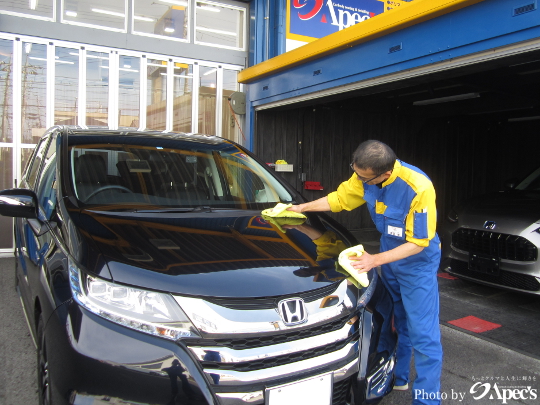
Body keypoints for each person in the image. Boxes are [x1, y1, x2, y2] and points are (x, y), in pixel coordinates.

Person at [287, 140, 443, 405]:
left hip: (416, 261)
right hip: (387, 254)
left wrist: (374, 261)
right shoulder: (364, 175)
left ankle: (428, 400)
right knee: (396, 317)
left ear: (385, 174)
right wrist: (301, 208)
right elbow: (338, 199)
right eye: (356, 173)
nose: (358, 180)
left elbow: (418, 243)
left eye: (364, 178)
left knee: (423, 332)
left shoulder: (418, 187)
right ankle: (399, 376)